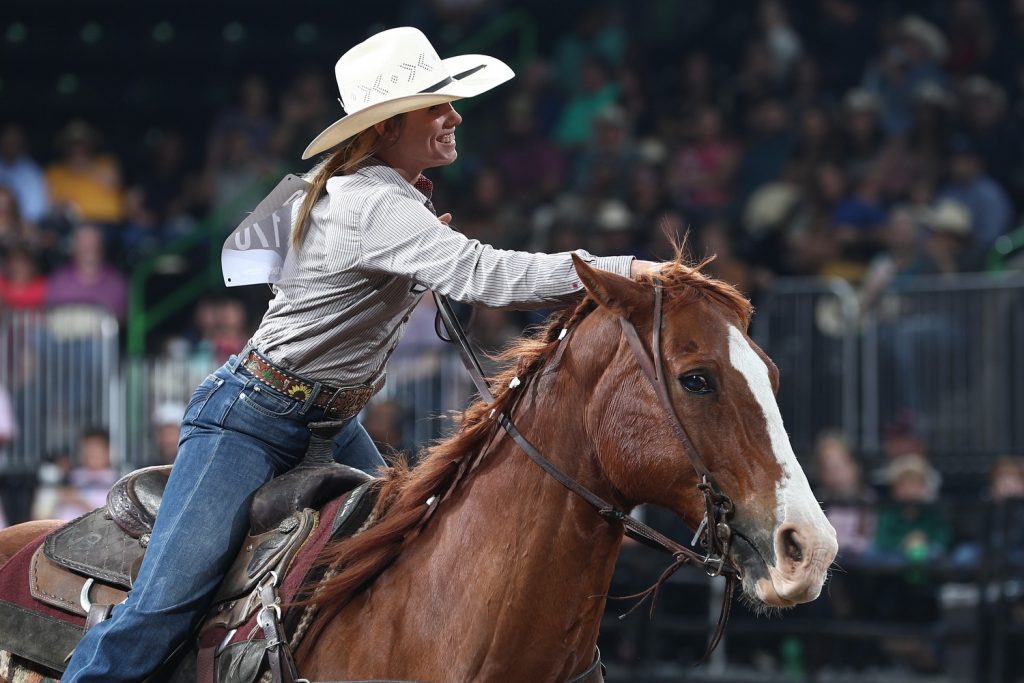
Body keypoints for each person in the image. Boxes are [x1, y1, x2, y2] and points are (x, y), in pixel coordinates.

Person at [63, 26, 654, 681]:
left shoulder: (360, 192)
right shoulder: (376, 203)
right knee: (161, 607)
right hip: (251, 419)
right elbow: (487, 276)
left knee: (410, 552)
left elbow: (277, 264)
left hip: (324, 421)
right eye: (436, 105)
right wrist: (626, 270)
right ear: (386, 127)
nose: (454, 115)